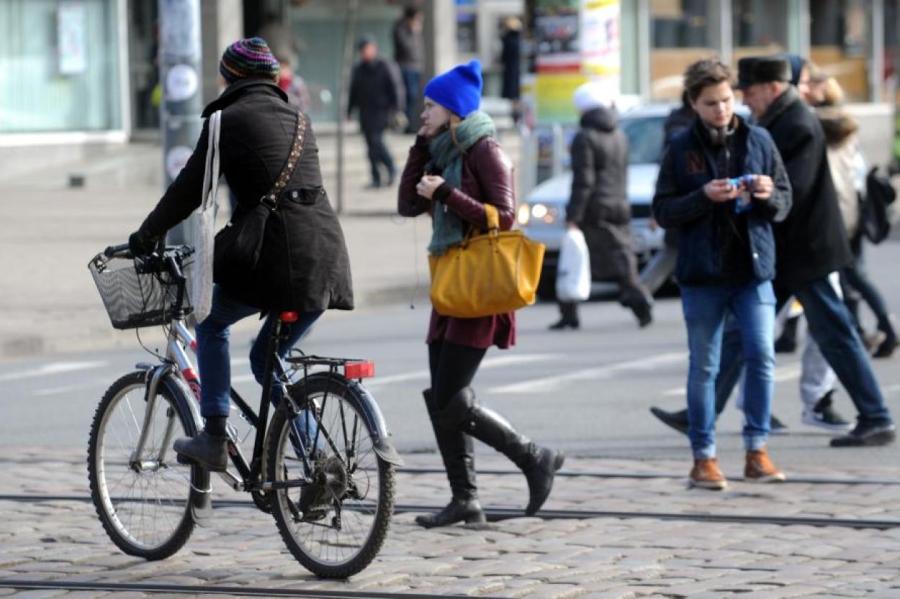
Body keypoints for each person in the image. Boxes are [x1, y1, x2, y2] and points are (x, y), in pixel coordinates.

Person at [127, 38, 354, 471]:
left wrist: (145, 236)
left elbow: (187, 191)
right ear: (271, 78)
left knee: (210, 322)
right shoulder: (300, 118)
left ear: (230, 77)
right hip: (326, 256)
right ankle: (315, 459)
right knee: (268, 358)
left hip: (276, 256)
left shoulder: (225, 121)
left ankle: (213, 437)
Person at [398, 60, 564, 526]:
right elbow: (407, 203)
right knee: (443, 395)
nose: (423, 112)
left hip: (481, 286)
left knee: (451, 397)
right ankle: (465, 498)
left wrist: (448, 194)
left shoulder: (485, 150)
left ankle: (534, 457)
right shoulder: (440, 151)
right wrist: (419, 148)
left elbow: (505, 217)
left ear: (452, 109)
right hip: (453, 285)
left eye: (430, 105)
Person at [729, 56, 895, 447]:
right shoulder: (780, 119)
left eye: (750, 92)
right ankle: (698, 410)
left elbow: (794, 190)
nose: (746, 100)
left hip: (807, 251)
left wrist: (752, 194)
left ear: (772, 87)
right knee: (742, 330)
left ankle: (876, 416)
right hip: (793, 250)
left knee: (834, 332)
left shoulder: (796, 123)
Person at [652, 59, 792, 490]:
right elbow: (663, 210)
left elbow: (785, 201)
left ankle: (757, 450)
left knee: (762, 357)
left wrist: (767, 195)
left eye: (727, 100)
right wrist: (703, 197)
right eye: (711, 103)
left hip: (752, 269)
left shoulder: (759, 138)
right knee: (705, 367)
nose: (722, 110)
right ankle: (704, 458)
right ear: (694, 103)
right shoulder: (679, 146)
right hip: (703, 274)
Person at [549, 81, 653, 330]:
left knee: (573, 258)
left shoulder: (585, 137)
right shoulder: (620, 135)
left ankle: (571, 312)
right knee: (621, 257)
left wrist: (574, 215)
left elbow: (583, 180)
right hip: (619, 203)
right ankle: (636, 300)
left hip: (594, 207)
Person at [818, 81, 899, 359]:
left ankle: (877, 328)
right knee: (852, 277)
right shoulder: (846, 130)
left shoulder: (820, 130)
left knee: (848, 278)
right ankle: (871, 329)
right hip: (853, 215)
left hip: (838, 219)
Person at [348, 36, 402, 189]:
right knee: (370, 147)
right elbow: (354, 91)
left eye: (368, 48)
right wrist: (349, 110)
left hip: (382, 111)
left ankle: (391, 167)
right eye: (363, 50)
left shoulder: (385, 66)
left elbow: (395, 88)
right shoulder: (359, 69)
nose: (365, 52)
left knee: (377, 142)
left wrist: (397, 109)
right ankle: (376, 178)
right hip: (365, 112)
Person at [393, 6, 424, 134]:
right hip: (406, 67)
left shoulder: (415, 31)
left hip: (416, 67)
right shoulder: (401, 30)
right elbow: (406, 48)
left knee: (414, 97)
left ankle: (411, 124)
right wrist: (413, 32)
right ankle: (407, 126)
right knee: (408, 96)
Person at [500, 16, 523, 125]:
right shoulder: (518, 40)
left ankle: (514, 117)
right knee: (516, 96)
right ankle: (516, 118)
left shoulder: (508, 40)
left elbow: (504, 57)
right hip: (517, 71)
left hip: (510, 71)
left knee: (512, 95)